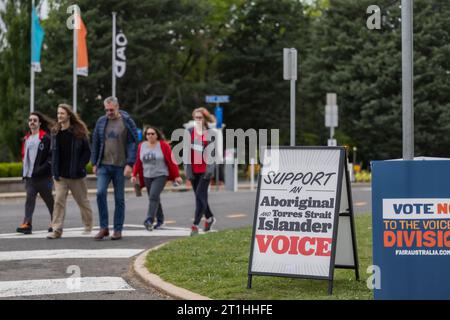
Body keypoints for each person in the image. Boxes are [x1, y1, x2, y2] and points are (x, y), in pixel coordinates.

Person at [91, 97, 138, 240]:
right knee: (100, 193)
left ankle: (118, 229)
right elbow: (95, 142)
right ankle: (103, 227)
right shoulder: (101, 121)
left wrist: (130, 164)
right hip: (104, 165)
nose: (108, 112)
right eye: (106, 110)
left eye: (111, 110)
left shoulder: (127, 121)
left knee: (119, 199)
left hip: (120, 166)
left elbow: (133, 143)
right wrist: (94, 163)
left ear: (117, 107)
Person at [47, 104, 93, 239]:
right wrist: (53, 167)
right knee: (59, 201)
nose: (59, 116)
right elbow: (52, 152)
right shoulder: (55, 132)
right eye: (58, 113)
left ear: (68, 115)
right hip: (60, 176)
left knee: (82, 201)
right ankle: (57, 229)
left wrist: (80, 166)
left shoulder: (79, 131)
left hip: (76, 175)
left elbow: (87, 152)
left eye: (62, 113)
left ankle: (88, 225)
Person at [131, 126, 182, 230]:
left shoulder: (163, 145)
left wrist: (176, 176)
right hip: (147, 176)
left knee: (153, 196)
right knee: (155, 198)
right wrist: (134, 174)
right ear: (146, 135)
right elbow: (138, 161)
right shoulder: (142, 146)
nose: (150, 136)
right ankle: (161, 221)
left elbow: (172, 161)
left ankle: (149, 220)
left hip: (160, 175)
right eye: (148, 134)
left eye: (152, 134)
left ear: (157, 135)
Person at [16, 112, 55, 234]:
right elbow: (25, 157)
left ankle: (55, 222)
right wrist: (26, 173)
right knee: (29, 199)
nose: (32, 122)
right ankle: (27, 224)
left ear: (39, 123)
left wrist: (42, 169)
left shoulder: (45, 138)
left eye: (35, 120)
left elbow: (50, 157)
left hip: (43, 177)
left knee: (49, 201)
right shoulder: (26, 139)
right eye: (30, 120)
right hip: (30, 177)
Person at [184, 107, 217, 236]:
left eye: (200, 117)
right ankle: (209, 218)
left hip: (205, 170)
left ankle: (195, 225)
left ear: (204, 119)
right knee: (200, 197)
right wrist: (188, 171)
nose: (198, 120)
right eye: (196, 117)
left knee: (199, 195)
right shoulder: (189, 132)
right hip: (194, 170)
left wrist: (210, 170)